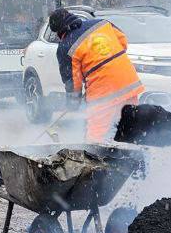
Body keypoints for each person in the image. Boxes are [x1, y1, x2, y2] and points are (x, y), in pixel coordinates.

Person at [48, 8, 144, 142]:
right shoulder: (101, 23)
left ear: (59, 31)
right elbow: (122, 40)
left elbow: (73, 82)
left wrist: (73, 103)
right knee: (129, 125)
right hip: (129, 82)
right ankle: (134, 158)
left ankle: (93, 157)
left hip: (103, 91)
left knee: (96, 133)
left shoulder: (65, 47)